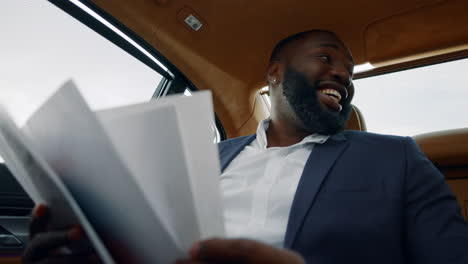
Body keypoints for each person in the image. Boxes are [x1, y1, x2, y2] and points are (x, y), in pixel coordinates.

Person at [23, 30, 468, 263]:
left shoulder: (396, 158)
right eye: (327, 57)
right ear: (274, 73)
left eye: (350, 71)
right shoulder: (201, 158)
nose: (344, 75)